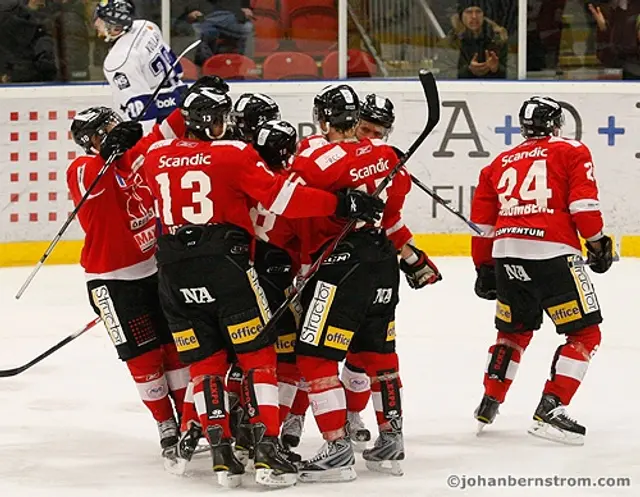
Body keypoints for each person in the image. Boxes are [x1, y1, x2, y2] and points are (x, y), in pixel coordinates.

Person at [115, 84, 384, 487]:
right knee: (259, 356)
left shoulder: (155, 155)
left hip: (172, 266)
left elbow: (133, 161)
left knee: (205, 363)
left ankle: (221, 454)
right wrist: (342, 205)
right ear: (217, 122)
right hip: (226, 264)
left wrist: (131, 136)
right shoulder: (233, 154)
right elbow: (283, 198)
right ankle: (268, 453)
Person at [289, 84, 440, 482]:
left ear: (323, 119)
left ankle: (337, 449)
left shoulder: (316, 154)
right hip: (381, 262)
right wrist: (410, 256)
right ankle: (392, 439)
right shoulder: (387, 156)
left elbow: (297, 189)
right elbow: (390, 215)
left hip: (342, 265)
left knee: (314, 356)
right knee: (379, 353)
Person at [470, 96, 614, 446]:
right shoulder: (571, 149)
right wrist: (597, 244)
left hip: (506, 255)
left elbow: (482, 226)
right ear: (556, 124)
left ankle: (491, 399)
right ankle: (552, 406)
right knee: (585, 334)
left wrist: (485, 268)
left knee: (513, 332)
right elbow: (582, 206)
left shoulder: (497, 164)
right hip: (554, 254)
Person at [66, 107, 190, 460]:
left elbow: (161, 134)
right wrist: (107, 153)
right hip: (113, 282)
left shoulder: (132, 159)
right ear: (90, 140)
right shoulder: (83, 168)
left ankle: (188, 418)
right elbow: (89, 179)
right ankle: (165, 423)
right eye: (105, 129)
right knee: (145, 359)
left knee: (176, 350)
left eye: (115, 125)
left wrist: (192, 99)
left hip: (156, 270)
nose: (114, 131)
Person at [94, 0, 188, 132]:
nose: (96, 24)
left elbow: (143, 112)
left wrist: (143, 147)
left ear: (115, 28)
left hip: (164, 120)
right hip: (183, 101)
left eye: (101, 21)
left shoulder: (117, 61)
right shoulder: (146, 26)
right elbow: (178, 70)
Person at [444, 0, 508, 79]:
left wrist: (497, 68)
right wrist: (468, 70)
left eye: (478, 11)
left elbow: (514, 73)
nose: (474, 16)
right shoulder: (451, 41)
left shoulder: (499, 40)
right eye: (469, 12)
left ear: (484, 15)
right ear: (461, 15)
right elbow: (443, 74)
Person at [179, 0, 254, 64]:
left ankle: (243, 65)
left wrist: (246, 7)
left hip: (231, 17)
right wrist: (192, 10)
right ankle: (209, 64)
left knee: (247, 28)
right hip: (205, 16)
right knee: (196, 31)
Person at [589, 1, 640, 79]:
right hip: (623, 72)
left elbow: (628, 47)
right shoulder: (611, 12)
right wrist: (604, 29)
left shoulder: (634, 13)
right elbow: (605, 55)